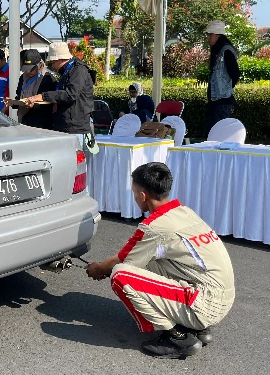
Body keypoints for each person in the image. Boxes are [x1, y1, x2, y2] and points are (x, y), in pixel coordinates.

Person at [86, 162, 235, 359]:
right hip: (223, 299)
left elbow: (123, 261)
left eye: (134, 192)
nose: (134, 196)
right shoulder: (184, 212)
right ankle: (198, 327)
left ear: (142, 195)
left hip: (205, 304)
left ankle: (177, 337)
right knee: (151, 260)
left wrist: (99, 268)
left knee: (120, 275)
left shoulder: (154, 227)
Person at [23, 42, 94, 146]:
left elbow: (71, 94)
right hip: (66, 126)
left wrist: (43, 96)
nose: (52, 65)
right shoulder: (68, 71)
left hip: (76, 129)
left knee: (75, 161)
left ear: (60, 59)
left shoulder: (78, 70)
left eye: (53, 62)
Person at [204, 20, 240, 135]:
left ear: (217, 34)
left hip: (223, 101)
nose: (208, 38)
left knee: (219, 134)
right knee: (211, 133)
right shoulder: (218, 51)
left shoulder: (226, 51)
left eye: (210, 35)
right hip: (215, 100)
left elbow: (235, 73)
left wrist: (226, 88)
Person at [4, 49, 54, 129]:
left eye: (31, 69)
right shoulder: (22, 78)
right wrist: (13, 103)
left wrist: (34, 105)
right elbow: (19, 97)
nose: (28, 72)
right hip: (24, 122)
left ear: (39, 65)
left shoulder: (48, 78)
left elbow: (51, 102)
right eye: (26, 68)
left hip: (41, 124)